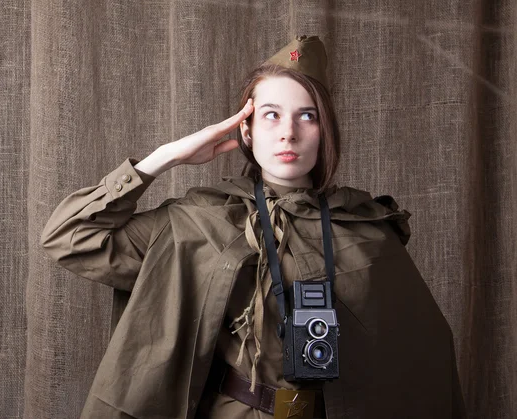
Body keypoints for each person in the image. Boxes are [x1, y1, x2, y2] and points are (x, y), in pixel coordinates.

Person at [41, 36, 466, 419]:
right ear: (246, 128)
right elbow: (71, 237)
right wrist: (164, 159)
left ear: (325, 131)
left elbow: (421, 360)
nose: (288, 133)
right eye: (270, 115)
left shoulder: (368, 228)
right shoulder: (196, 221)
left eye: (307, 116)